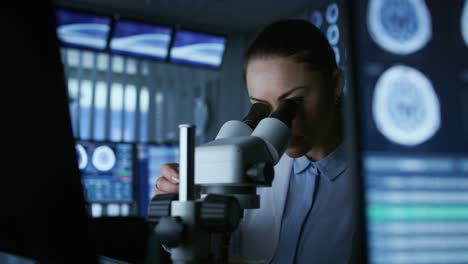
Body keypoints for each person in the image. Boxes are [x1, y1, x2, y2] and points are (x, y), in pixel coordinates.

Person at [155, 19, 360, 263]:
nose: (280, 122)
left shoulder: (380, 175)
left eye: (293, 103)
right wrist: (185, 206)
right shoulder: (250, 164)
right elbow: (208, 245)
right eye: (260, 108)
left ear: (335, 85)